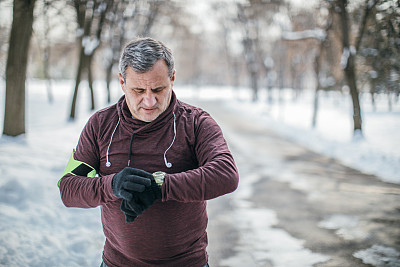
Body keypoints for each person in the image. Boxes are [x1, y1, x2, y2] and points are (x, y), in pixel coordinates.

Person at [58, 37, 239, 267]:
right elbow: (68, 187)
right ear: (122, 82)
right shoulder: (100, 125)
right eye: (138, 90)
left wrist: (160, 186)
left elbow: (226, 174)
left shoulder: (196, 123)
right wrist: (112, 185)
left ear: (172, 78)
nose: (149, 100)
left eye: (158, 88)